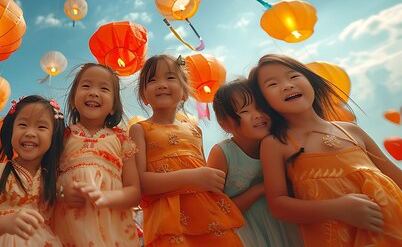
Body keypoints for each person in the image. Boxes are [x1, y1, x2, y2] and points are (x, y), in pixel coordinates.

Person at [250, 53, 402, 246]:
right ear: (265, 102)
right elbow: (279, 205)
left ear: (311, 81)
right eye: (272, 84)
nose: (287, 85)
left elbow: (394, 174)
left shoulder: (351, 130)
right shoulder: (276, 143)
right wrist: (337, 209)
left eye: (293, 76)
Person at [129, 54, 244, 247]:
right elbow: (140, 183)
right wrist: (192, 177)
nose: (162, 84)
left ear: (184, 92)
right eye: (152, 80)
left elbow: (204, 176)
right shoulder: (140, 130)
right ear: (143, 96)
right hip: (167, 221)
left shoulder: (194, 130)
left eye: (170, 77)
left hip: (208, 214)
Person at [208, 78, 303, 247]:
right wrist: (261, 189)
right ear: (224, 124)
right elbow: (214, 211)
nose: (257, 114)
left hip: (290, 228)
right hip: (250, 236)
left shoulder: (282, 143)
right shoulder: (223, 153)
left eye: (260, 107)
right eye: (244, 111)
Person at [54, 63, 141, 247]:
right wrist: (61, 192)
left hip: (111, 228)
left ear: (113, 106)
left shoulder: (121, 139)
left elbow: (134, 192)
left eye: (104, 88)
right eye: (86, 86)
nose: (94, 92)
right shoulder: (61, 136)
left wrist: (106, 197)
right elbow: (45, 180)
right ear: (72, 100)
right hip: (68, 225)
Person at [0, 95, 65, 246]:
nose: (30, 133)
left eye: (41, 127)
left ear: (53, 135)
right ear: (11, 130)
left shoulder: (55, 178)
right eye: (23, 125)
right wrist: (5, 223)